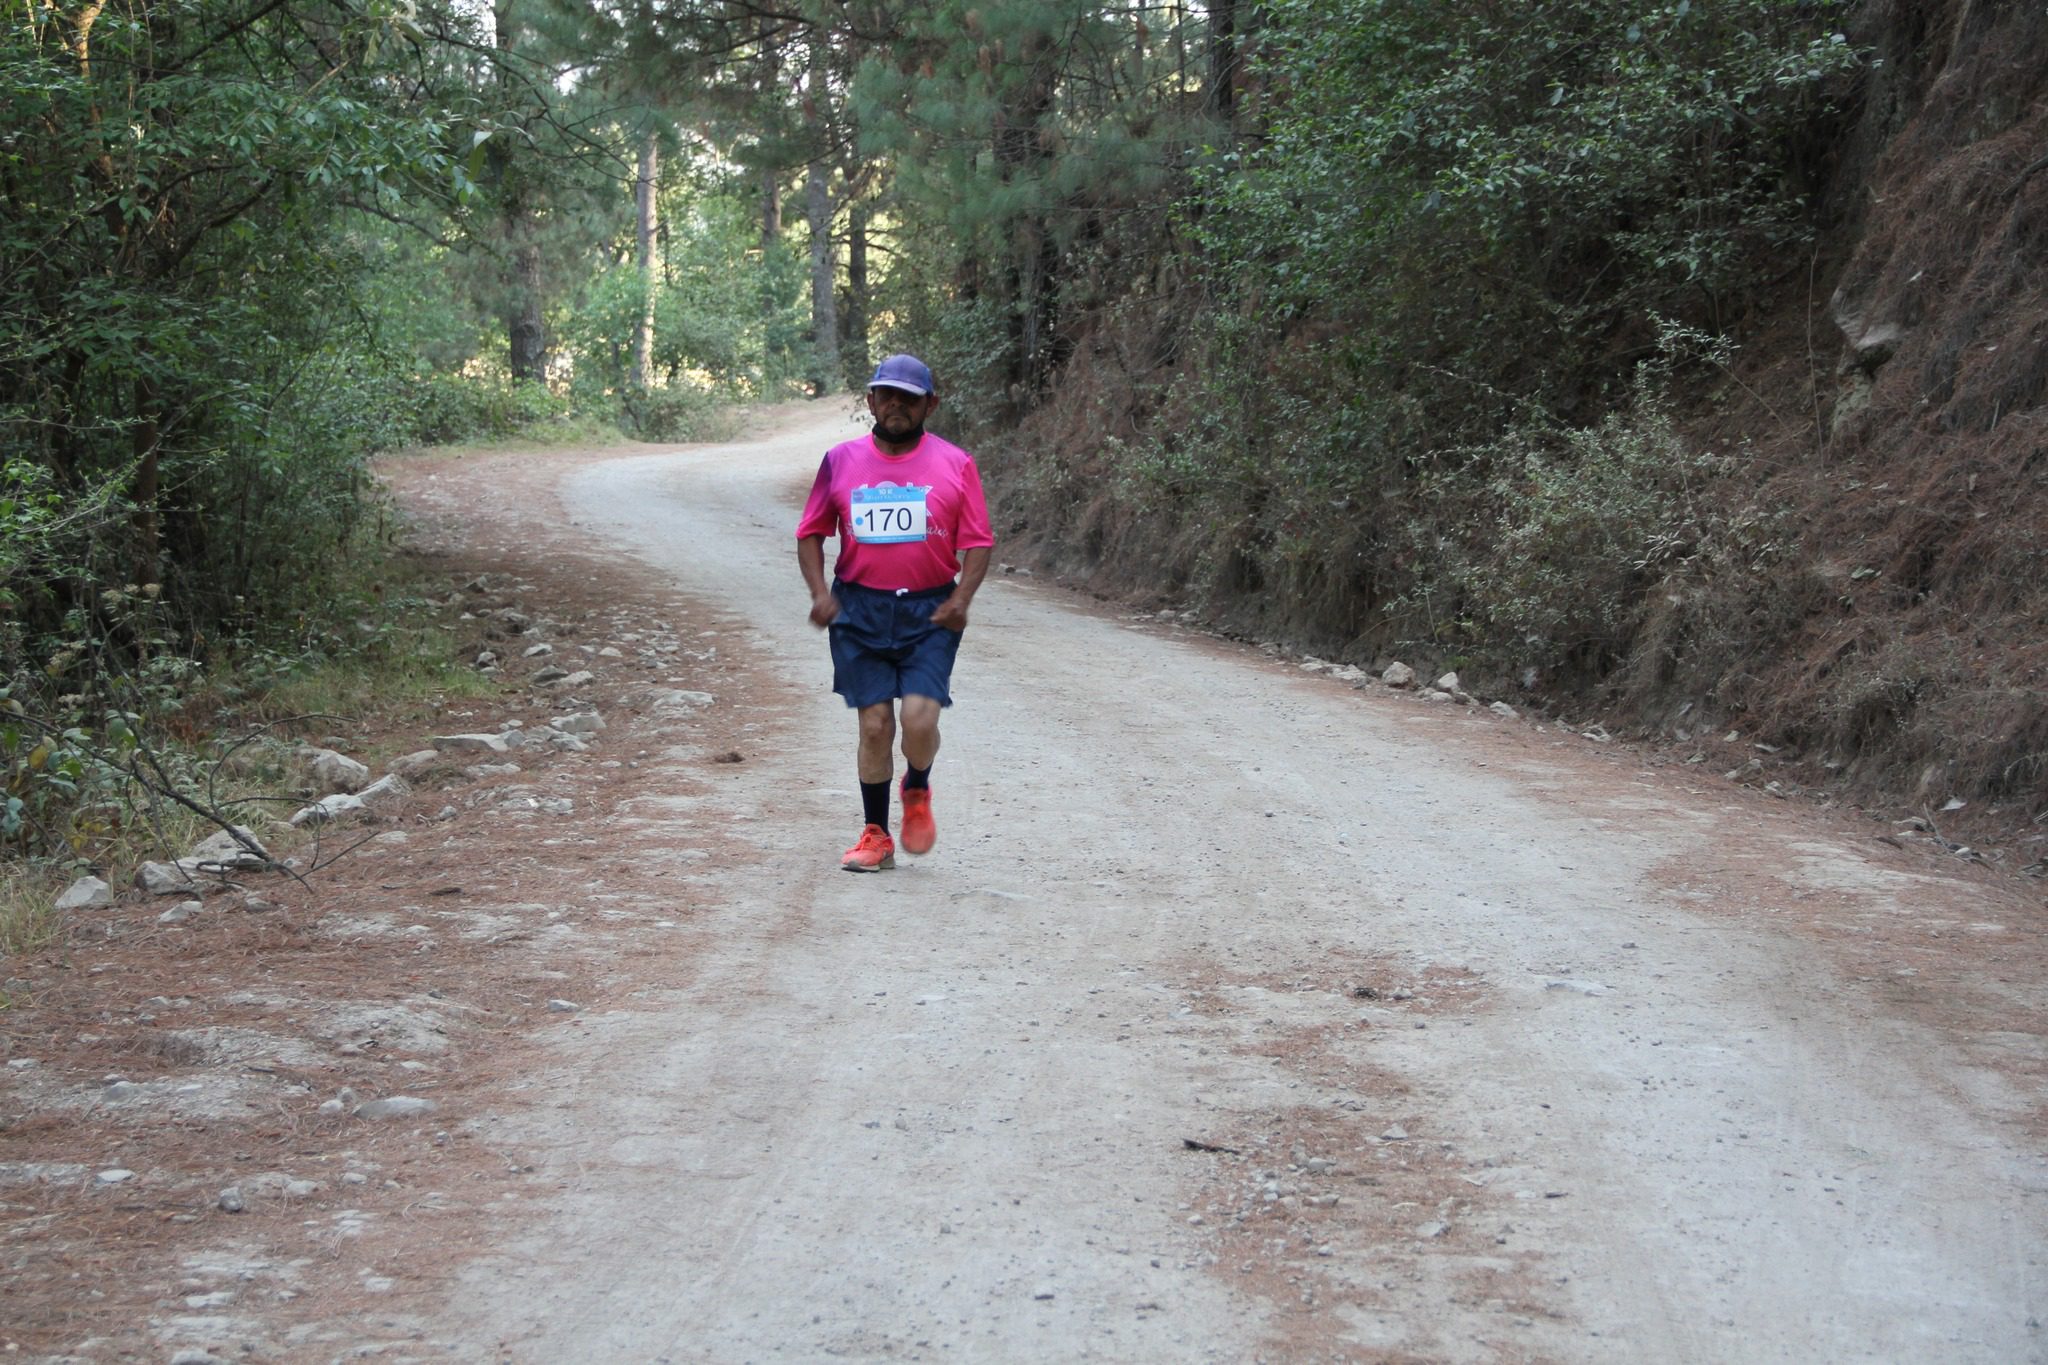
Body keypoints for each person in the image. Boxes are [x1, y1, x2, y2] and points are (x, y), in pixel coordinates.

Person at [796, 354, 994, 872]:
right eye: (887, 395)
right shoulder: (840, 461)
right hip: (858, 608)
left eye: (909, 397)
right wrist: (820, 593)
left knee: (919, 719)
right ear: (871, 402)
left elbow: (978, 542)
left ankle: (918, 786)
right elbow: (811, 533)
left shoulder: (956, 463)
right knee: (877, 725)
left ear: (931, 403)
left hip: (930, 610)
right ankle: (876, 835)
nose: (896, 406)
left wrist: (961, 600)